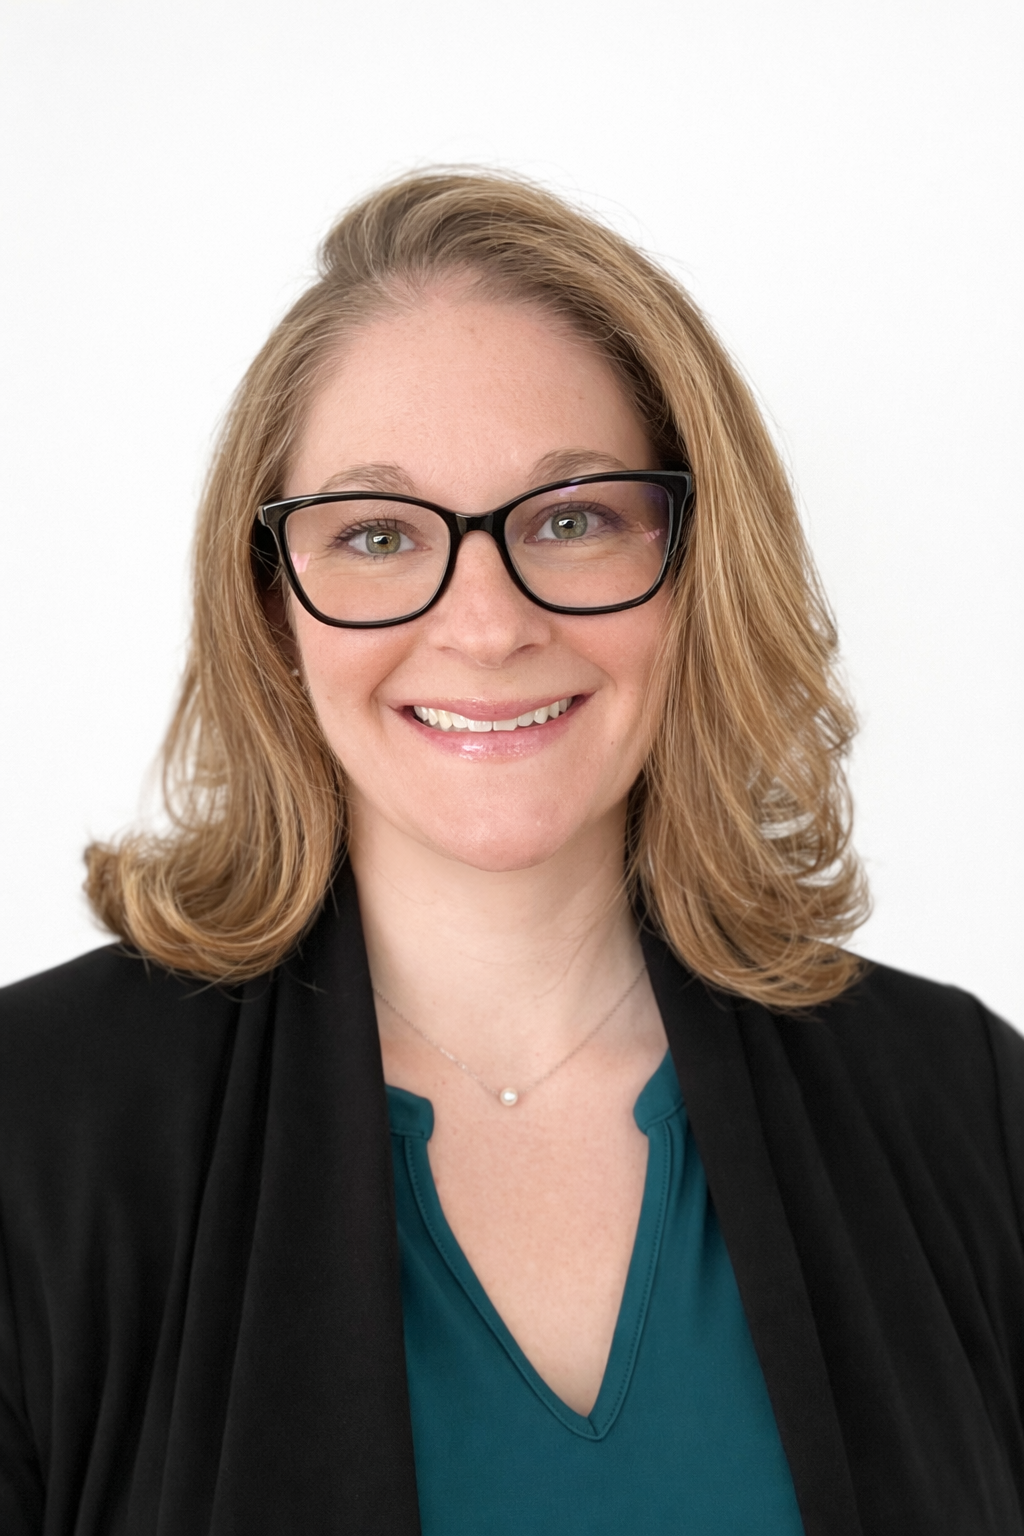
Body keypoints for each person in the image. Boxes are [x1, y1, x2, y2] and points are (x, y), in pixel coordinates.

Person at [0, 170, 1021, 1536]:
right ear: (271, 605)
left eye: (573, 518)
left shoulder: (968, 1108)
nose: (484, 625)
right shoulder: (31, 1132)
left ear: (694, 561)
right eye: (375, 535)